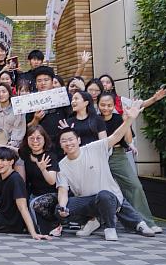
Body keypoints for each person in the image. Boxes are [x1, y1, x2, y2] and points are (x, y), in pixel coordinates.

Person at [55, 103, 156, 241]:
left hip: (109, 196)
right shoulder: (61, 165)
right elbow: (62, 191)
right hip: (88, 201)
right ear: (60, 145)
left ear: (78, 140)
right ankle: (94, 219)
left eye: (71, 139)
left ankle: (111, 227)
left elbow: (116, 136)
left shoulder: (94, 148)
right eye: (64, 141)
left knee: (105, 197)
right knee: (59, 209)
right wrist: (62, 207)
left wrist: (129, 119)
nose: (68, 143)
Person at [98, 92, 163, 234]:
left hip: (117, 155)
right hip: (99, 157)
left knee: (134, 186)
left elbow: (128, 140)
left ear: (114, 105)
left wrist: (126, 121)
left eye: (109, 105)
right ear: (97, 105)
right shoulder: (95, 119)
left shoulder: (118, 118)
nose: (106, 108)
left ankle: (147, 222)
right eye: (102, 105)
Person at [19, 126, 62, 236]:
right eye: (31, 138)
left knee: (36, 205)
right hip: (34, 194)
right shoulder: (25, 154)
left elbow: (52, 181)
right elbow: (13, 149)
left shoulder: (50, 156)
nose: (35, 141)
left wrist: (43, 169)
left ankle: (56, 223)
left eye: (38, 138)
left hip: (52, 195)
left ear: (44, 139)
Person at [27, 66, 71, 160]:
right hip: (41, 145)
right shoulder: (30, 101)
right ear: (36, 84)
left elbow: (72, 117)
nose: (43, 83)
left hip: (62, 141)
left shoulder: (63, 96)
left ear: (52, 81)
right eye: (39, 81)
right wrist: (36, 119)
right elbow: (27, 127)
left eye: (46, 80)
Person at [0, 84, 25, 148]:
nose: (1, 94)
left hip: (12, 148)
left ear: (9, 93)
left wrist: (11, 144)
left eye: (4, 92)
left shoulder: (17, 110)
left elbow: (19, 130)